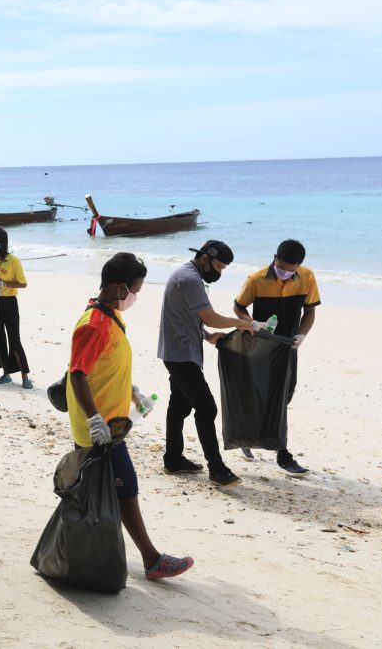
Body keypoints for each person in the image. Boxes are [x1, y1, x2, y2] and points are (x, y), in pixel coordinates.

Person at [66, 252, 194, 580]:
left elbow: (103, 365)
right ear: (121, 288)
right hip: (102, 429)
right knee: (125, 488)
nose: (136, 296)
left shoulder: (109, 316)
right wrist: (95, 421)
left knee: (96, 491)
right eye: (135, 289)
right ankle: (152, 560)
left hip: (111, 423)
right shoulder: (95, 324)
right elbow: (78, 374)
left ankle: (74, 549)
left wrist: (131, 390)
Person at [157, 241, 254, 487]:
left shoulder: (189, 276)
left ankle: (173, 458)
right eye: (218, 266)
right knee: (207, 408)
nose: (219, 272)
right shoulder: (190, 279)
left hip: (180, 349)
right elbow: (210, 317)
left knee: (179, 405)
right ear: (204, 259)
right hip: (180, 354)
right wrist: (243, 323)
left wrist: (208, 336)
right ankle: (217, 468)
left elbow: (188, 316)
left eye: (223, 268)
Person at [232, 239, 321, 475]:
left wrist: (302, 335)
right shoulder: (256, 279)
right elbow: (238, 306)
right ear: (274, 257)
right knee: (263, 395)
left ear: (299, 266)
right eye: (282, 267)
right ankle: (282, 454)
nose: (285, 273)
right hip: (261, 346)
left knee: (286, 395)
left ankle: (253, 436)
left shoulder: (308, 277)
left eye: (291, 270)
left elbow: (310, 311)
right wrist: (251, 322)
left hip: (289, 347)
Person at [0, 227, 32, 389]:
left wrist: (4, 283)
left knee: (14, 339)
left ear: (3, 242)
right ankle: (6, 374)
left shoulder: (13, 261)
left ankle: (25, 376)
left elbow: (23, 283)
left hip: (10, 303)